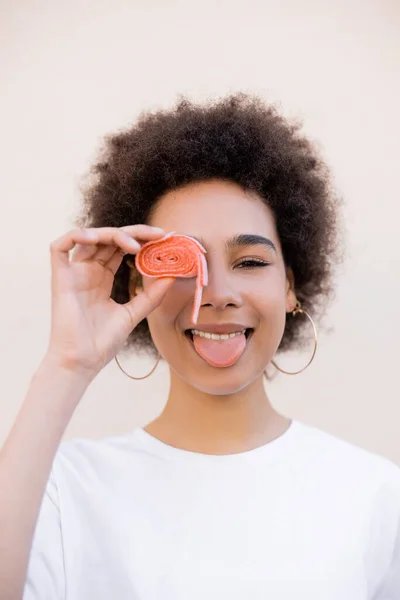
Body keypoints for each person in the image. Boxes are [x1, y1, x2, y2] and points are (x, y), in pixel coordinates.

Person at [0, 94, 399, 600]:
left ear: (291, 286)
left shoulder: (376, 496)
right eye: (182, 265)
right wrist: (68, 364)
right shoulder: (57, 492)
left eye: (250, 262)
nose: (217, 295)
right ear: (138, 286)